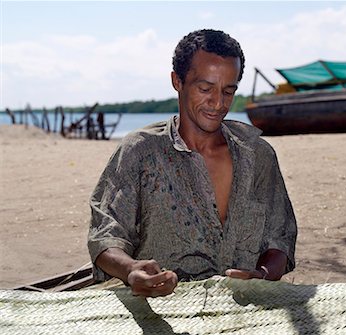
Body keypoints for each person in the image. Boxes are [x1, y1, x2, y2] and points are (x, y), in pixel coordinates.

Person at [87, 29, 297, 297]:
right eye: (205, 88)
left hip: (246, 310)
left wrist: (263, 274)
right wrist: (131, 270)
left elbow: (280, 238)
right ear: (178, 81)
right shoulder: (140, 151)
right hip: (162, 307)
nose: (218, 103)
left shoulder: (258, 155)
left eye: (228, 91)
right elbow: (105, 235)